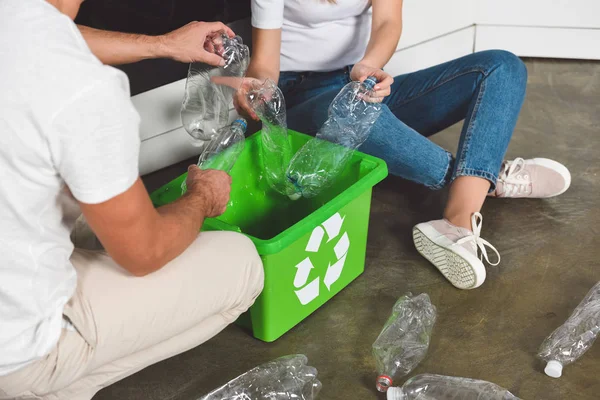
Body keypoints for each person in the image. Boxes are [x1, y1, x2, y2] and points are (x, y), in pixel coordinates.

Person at [0, 1, 263, 399]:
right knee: (244, 263)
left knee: (86, 216)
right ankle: (47, 379)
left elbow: (45, 30)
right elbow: (144, 253)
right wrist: (202, 198)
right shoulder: (82, 86)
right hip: (15, 347)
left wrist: (163, 44)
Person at [237, 0, 571, 290]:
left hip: (356, 81)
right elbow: (265, 62)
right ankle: (481, 183)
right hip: (301, 98)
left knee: (502, 66)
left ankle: (456, 221)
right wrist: (260, 89)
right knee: (357, 117)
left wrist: (368, 67)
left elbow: (387, 22)